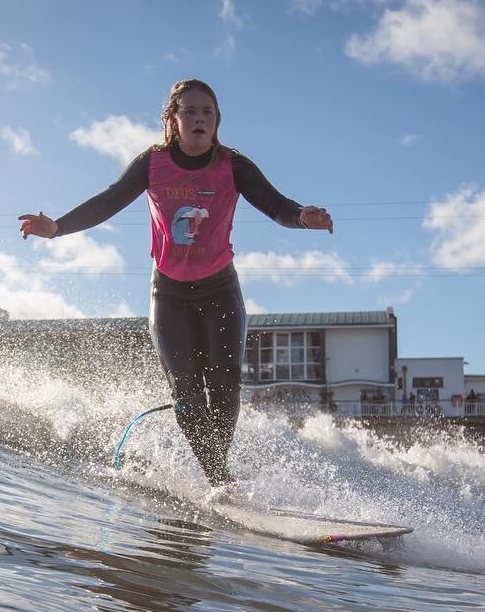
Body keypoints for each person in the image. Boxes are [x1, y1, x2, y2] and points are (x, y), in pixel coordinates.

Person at [19, 79, 333, 487]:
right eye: (190, 111)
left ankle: (219, 476)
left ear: (217, 120)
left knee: (223, 388)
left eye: (208, 112)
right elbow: (108, 200)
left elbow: (277, 206)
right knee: (186, 393)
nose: (200, 118)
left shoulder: (234, 165)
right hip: (168, 294)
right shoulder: (152, 163)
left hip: (220, 290)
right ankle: (221, 480)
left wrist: (302, 218)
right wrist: (58, 227)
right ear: (173, 120)